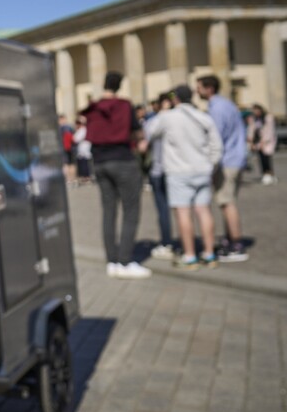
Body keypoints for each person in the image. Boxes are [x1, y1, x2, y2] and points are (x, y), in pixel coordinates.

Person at [143, 85, 223, 269]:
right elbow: (216, 145)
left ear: (175, 98)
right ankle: (209, 253)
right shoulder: (203, 116)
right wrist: (211, 164)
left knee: (183, 213)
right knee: (204, 211)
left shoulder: (168, 117)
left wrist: (162, 111)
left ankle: (190, 256)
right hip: (202, 169)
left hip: (179, 172)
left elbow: (149, 131)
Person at [80, 71, 150, 278]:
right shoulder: (124, 105)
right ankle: (125, 262)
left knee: (108, 212)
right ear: (119, 86)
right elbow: (136, 131)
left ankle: (112, 260)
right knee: (131, 211)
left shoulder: (93, 107)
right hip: (122, 160)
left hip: (100, 162)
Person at [195, 75, 249, 261]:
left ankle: (236, 244)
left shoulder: (216, 108)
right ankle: (230, 240)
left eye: (199, 87)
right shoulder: (227, 104)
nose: (197, 91)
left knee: (227, 203)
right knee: (228, 200)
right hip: (236, 157)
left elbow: (215, 138)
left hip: (227, 160)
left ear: (209, 88)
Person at [145, 93, 175, 260]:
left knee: (163, 209)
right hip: (179, 170)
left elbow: (148, 133)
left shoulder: (158, 120)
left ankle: (167, 242)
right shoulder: (183, 119)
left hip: (161, 169)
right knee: (182, 210)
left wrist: (162, 114)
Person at [248, 104, 277, 185]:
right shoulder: (253, 119)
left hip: (267, 142)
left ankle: (269, 174)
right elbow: (251, 129)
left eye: (257, 110)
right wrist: (251, 141)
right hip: (257, 141)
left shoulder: (268, 118)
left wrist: (263, 142)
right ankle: (265, 174)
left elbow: (270, 131)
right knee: (261, 158)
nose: (255, 112)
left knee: (266, 158)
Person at [58, 114, 76, 184]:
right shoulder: (68, 127)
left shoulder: (59, 128)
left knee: (65, 163)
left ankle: (67, 179)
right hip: (71, 147)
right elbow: (70, 137)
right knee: (71, 163)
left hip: (63, 148)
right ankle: (72, 178)